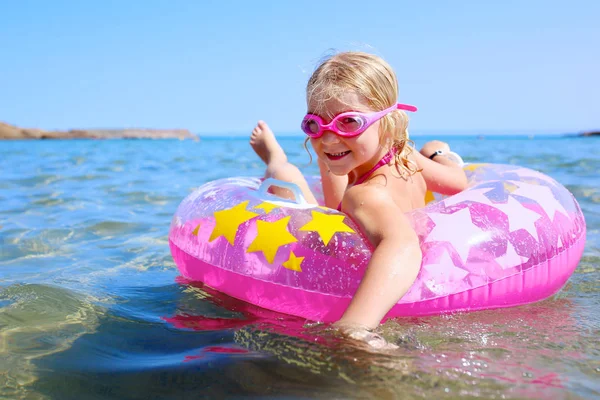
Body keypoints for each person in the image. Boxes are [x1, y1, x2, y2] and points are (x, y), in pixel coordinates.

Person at [249, 52, 467, 338]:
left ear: (388, 122)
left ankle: (274, 157)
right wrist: (439, 154)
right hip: (385, 173)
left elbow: (402, 245)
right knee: (336, 162)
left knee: (286, 175)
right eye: (314, 124)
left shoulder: (364, 195)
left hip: (340, 236)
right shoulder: (407, 155)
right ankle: (433, 147)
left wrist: (356, 325)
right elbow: (458, 182)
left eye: (348, 122)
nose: (327, 138)